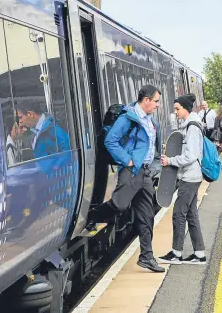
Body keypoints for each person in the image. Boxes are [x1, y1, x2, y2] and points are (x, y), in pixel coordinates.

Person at [86, 85, 165, 273]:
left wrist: (154, 166)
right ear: (146, 100)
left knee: (147, 216)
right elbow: (110, 140)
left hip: (145, 173)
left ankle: (146, 257)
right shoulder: (127, 118)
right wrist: (126, 160)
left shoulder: (151, 122)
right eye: (155, 101)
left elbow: (153, 146)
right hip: (131, 171)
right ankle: (93, 215)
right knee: (119, 205)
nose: (157, 105)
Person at [158, 93, 206, 265]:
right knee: (191, 215)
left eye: (178, 109)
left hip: (190, 177)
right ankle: (199, 254)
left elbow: (191, 155)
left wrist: (170, 160)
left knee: (179, 214)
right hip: (193, 176)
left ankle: (176, 253)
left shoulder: (192, 127)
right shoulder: (192, 124)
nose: (176, 112)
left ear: (185, 108)